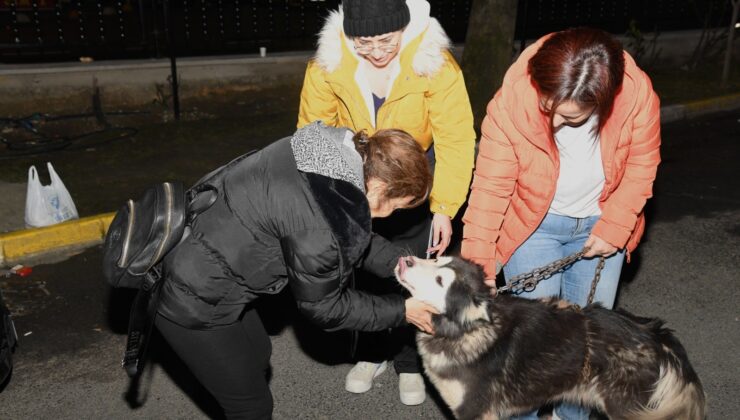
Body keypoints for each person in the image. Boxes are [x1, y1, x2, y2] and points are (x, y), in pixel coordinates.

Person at [155, 122, 438, 419]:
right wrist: (403, 310)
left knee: (256, 357)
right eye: (396, 206)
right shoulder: (321, 223)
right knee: (251, 406)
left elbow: (353, 234)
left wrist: (405, 265)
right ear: (379, 186)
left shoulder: (326, 157)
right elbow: (325, 306)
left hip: (204, 260)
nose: (391, 215)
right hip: (191, 297)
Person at [461, 27, 661, 420]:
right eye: (546, 104)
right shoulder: (514, 99)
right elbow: (490, 185)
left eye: (567, 116)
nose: (551, 119)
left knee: (585, 345)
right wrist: (477, 266)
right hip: (533, 228)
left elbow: (642, 165)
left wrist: (616, 226)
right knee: (533, 348)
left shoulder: (635, 96)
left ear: (602, 100)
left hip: (600, 228)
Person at [297, 0, 476, 405]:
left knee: (411, 264)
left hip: (414, 173)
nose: (376, 51)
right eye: (364, 41)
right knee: (359, 261)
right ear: (348, 34)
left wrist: (445, 207)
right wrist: (327, 198)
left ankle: (409, 361)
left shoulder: (435, 65)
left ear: (404, 28)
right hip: (355, 172)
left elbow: (456, 139)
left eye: (386, 39)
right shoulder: (328, 64)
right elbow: (312, 132)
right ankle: (370, 351)